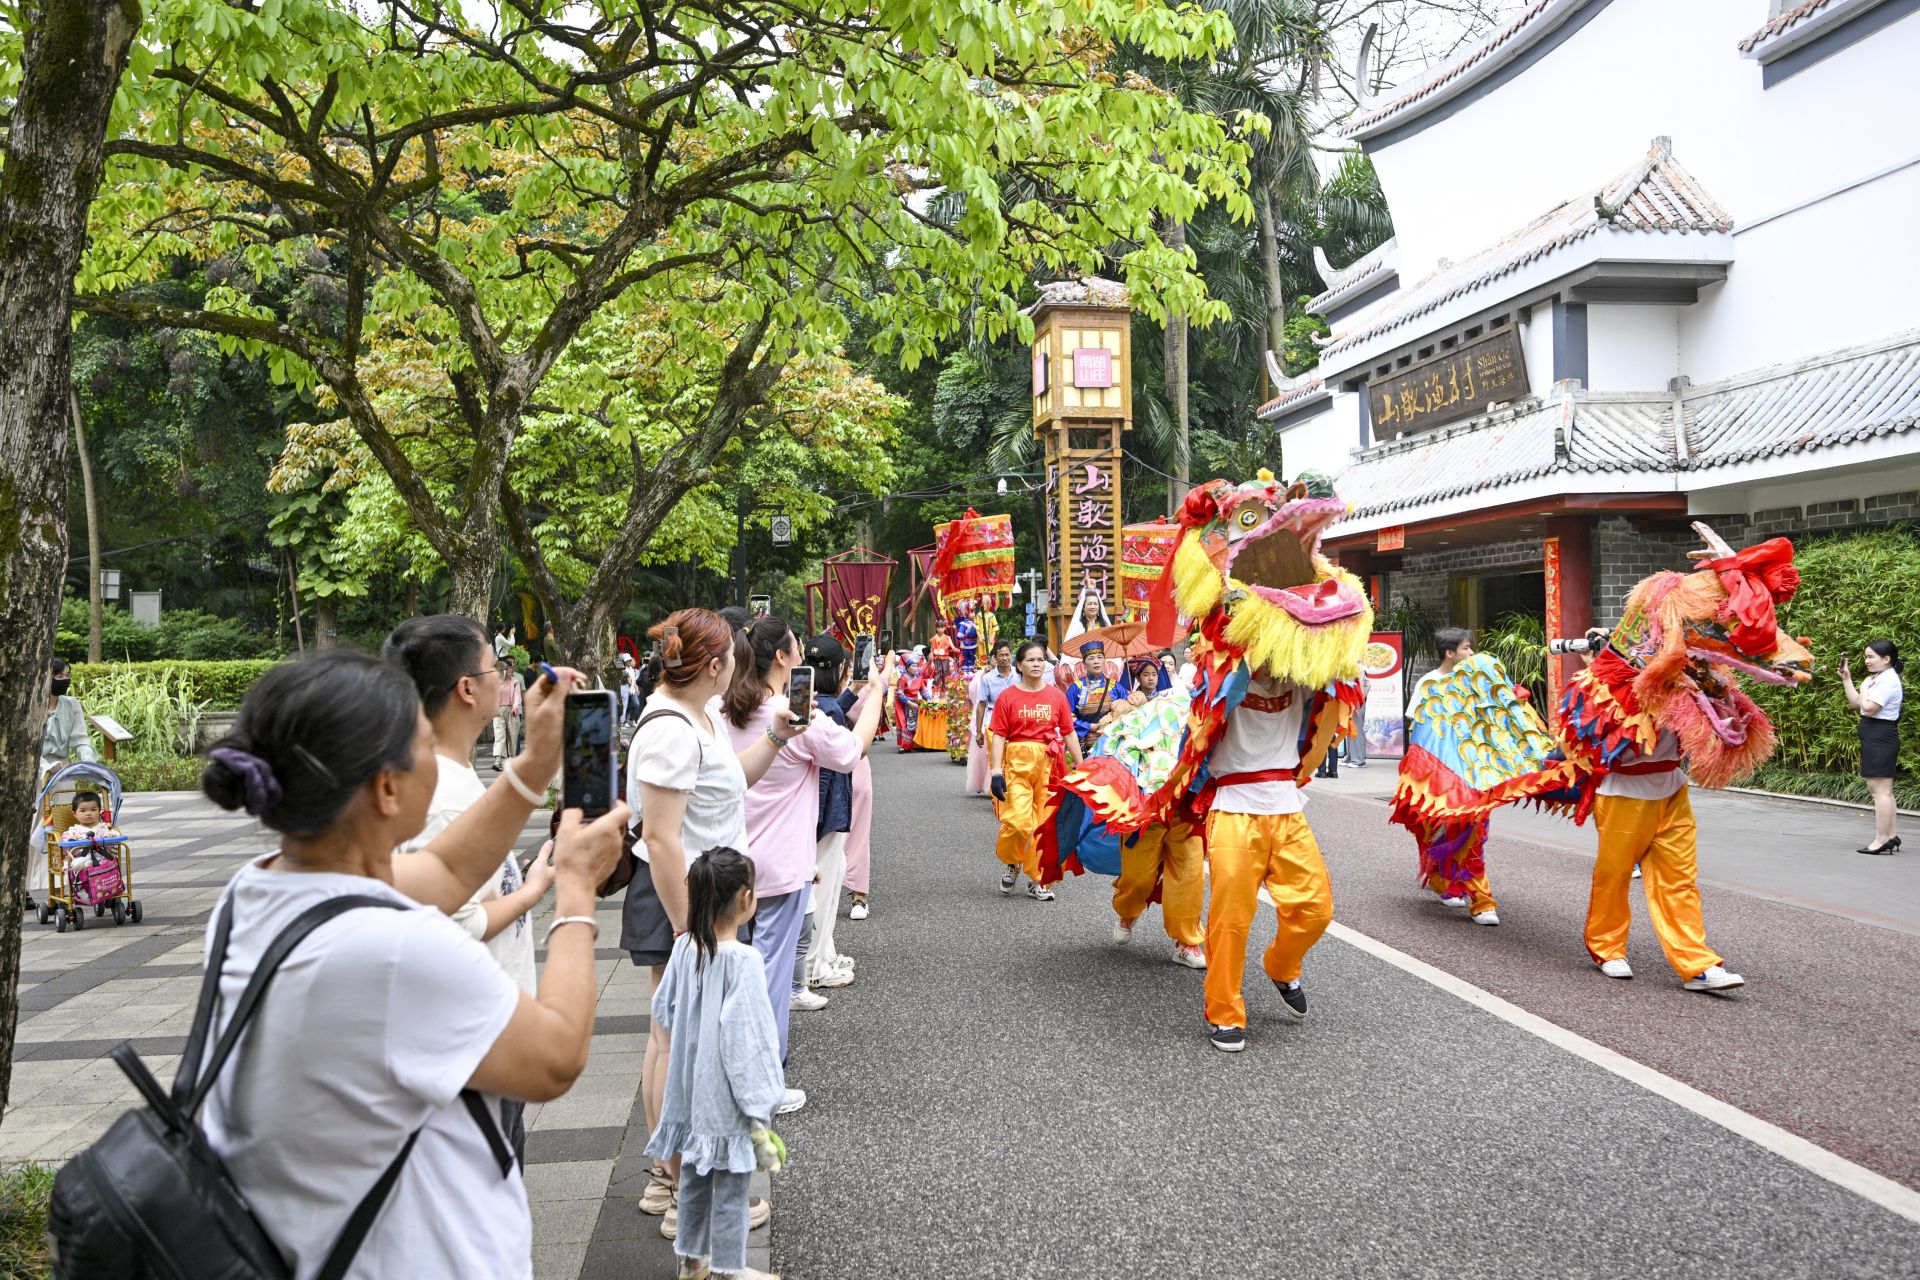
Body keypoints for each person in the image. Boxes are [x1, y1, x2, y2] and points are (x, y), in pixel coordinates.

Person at [196, 649, 627, 1277]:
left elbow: (447, 870)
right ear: (386, 788)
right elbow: (556, 1057)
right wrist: (577, 892)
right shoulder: (389, 949)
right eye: (425, 744)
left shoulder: (259, 890)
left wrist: (536, 764)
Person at [627, 608, 786, 1233]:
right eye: (734, 656)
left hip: (702, 898)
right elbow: (663, 840)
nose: (739, 666)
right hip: (684, 901)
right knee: (683, 1045)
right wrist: (690, 929)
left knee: (677, 1041)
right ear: (713, 664)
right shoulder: (671, 728)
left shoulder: (703, 716)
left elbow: (730, 789)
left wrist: (778, 739)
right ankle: (687, 1192)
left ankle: (670, 1180)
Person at [385, 616, 556, 1159]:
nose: (502, 679)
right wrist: (542, 895)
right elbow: (454, 921)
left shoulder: (448, 780)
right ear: (466, 688)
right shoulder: (442, 795)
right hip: (476, 1037)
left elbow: (452, 886)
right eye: (493, 670)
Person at [723, 616, 889, 1083]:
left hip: (728, 858)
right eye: (796, 648)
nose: (802, 657)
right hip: (780, 864)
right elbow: (853, 751)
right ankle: (764, 1077)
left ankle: (731, 1067)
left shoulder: (723, 710)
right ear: (781, 658)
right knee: (773, 974)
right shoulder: (796, 715)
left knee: (734, 967)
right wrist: (876, 690)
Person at [646, 848, 786, 1280]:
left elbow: (664, 1008)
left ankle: (691, 1261)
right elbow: (750, 1041)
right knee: (730, 1186)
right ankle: (728, 1267)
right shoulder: (744, 962)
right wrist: (762, 1103)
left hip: (688, 1088)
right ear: (745, 899)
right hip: (724, 1098)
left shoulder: (686, 947)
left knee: (692, 1181)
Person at [1577, 629, 1744, 992]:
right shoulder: (1614, 678)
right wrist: (1606, 659)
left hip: (1672, 789)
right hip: (1624, 792)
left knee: (1680, 879)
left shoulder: (1694, 678)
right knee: (1615, 874)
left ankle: (1697, 964)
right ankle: (1607, 948)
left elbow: (1726, 708)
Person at [1406, 628, 1498, 925]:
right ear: (1450, 653)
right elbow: (1418, 730)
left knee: (1474, 831)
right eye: (1466, 648)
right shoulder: (1429, 683)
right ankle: (1444, 880)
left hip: (1474, 771)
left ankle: (1481, 900)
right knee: (1439, 830)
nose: (1471, 654)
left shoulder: (1475, 682)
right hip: (1439, 773)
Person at [797, 633, 868, 992]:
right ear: (840, 669)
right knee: (823, 891)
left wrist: (853, 692)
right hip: (827, 815)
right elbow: (855, 749)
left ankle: (823, 954)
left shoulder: (813, 706)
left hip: (816, 815)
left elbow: (830, 707)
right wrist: (876, 692)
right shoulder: (829, 712)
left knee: (826, 883)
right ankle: (814, 965)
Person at [989, 640, 1084, 900]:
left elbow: (1068, 733)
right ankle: (1013, 861)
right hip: (1017, 764)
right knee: (1018, 823)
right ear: (1019, 664)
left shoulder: (1056, 696)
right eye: (1030, 660)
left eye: (1040, 659)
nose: (1036, 664)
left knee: (1045, 825)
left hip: (1050, 765)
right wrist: (996, 771)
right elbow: (998, 735)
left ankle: (1038, 878)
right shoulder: (1007, 697)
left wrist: (1081, 765)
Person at [30, 659, 97, 910]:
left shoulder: (71, 705)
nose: (65, 680)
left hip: (64, 775)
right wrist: (47, 766)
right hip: (36, 773)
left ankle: (57, 888)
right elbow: (27, 746)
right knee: (33, 831)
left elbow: (81, 739)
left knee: (63, 830)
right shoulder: (30, 704)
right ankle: (23, 887)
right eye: (60, 676)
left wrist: (88, 762)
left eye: (67, 675)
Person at [1841, 639, 1903, 854]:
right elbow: (1857, 703)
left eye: (1870, 657)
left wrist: (1864, 686)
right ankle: (1891, 835)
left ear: (1886, 659)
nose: (1866, 661)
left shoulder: (1888, 681)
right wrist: (1848, 679)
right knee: (1884, 791)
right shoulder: (1880, 679)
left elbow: (1868, 709)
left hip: (1880, 737)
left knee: (1880, 792)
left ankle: (1882, 839)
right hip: (1876, 737)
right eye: (1866, 656)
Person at [968, 641, 1018, 798]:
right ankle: (995, 786)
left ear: (1011, 655)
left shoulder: (1020, 675)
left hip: (1016, 720)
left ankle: (1014, 785)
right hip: (993, 720)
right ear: (995, 658)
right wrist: (978, 731)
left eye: (1007, 654)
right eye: (1001, 655)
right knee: (995, 754)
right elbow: (981, 705)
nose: (1004, 658)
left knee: (1014, 754)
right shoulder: (987, 678)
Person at [1066, 641, 1131, 753]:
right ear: (1084, 664)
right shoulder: (1076, 687)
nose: (1096, 661)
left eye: (1100, 657)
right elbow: (1066, 718)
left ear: (1104, 661)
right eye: (1091, 658)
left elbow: (1128, 712)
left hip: (1112, 741)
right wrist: (1090, 727)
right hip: (1084, 742)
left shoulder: (1115, 686)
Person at [493, 653, 525, 770]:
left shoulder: (515, 681)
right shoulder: (496, 682)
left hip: (512, 711)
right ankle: (497, 761)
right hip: (499, 710)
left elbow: (517, 696)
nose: (511, 669)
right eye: (509, 667)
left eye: (512, 667)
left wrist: (515, 707)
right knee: (499, 735)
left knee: (512, 735)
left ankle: (510, 760)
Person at [1344, 669, 1371, 768]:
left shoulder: (1357, 667)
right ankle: (1351, 757)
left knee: (1356, 729)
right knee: (1351, 728)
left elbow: (1365, 684)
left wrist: (1360, 698)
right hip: (1352, 700)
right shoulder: (1353, 665)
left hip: (1356, 701)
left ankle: (1358, 760)